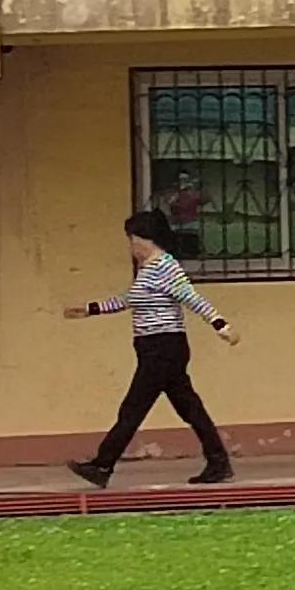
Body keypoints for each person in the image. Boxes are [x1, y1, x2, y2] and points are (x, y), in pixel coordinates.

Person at [67, 208, 238, 488]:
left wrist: (220, 324)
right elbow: (129, 300)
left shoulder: (166, 267)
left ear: (144, 239)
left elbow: (192, 298)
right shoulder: (148, 270)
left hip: (163, 347)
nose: (131, 246)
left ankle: (102, 464)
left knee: (133, 408)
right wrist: (90, 309)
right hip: (155, 348)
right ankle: (218, 462)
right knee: (189, 407)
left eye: (132, 240)